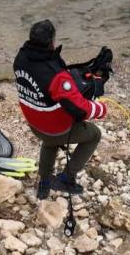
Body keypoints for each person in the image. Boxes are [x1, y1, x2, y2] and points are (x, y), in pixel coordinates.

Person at [13, 20, 108, 199]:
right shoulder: (55, 75)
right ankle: (66, 178)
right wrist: (101, 109)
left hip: (35, 123)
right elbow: (80, 109)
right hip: (56, 128)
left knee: (49, 142)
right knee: (94, 135)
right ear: (52, 42)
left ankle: (45, 181)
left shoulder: (20, 59)